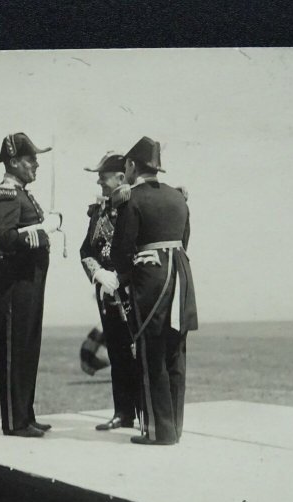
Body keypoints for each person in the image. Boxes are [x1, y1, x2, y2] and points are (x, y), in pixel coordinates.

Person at [110, 136, 198, 445]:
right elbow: (185, 239)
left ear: (133, 166)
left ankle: (157, 432)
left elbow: (120, 252)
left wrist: (129, 268)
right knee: (175, 352)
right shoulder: (178, 197)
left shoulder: (131, 199)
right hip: (181, 277)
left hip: (151, 280)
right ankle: (173, 427)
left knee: (150, 353)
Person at [0, 132, 62, 438]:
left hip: (28, 282)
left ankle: (25, 415)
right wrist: (43, 232)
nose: (37, 165)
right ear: (14, 162)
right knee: (16, 348)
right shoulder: (6, 194)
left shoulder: (22, 193)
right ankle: (16, 421)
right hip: (14, 283)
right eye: (31, 160)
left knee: (28, 346)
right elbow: (6, 237)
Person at [80, 151, 142, 430]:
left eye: (103, 178)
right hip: (108, 293)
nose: (99, 184)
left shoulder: (137, 204)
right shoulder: (99, 213)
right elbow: (86, 250)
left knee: (138, 353)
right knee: (117, 352)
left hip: (134, 292)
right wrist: (97, 273)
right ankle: (123, 413)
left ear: (121, 177)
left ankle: (146, 413)